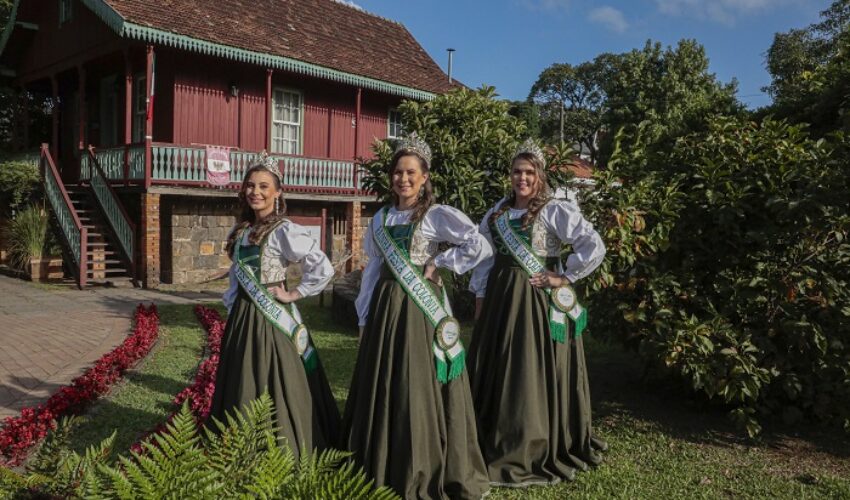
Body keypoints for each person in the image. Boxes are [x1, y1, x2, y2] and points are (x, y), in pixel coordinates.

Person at [342, 133, 492, 499]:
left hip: (421, 311)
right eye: (397, 172)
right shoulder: (379, 220)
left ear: (425, 177)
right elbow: (373, 272)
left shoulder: (435, 215)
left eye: (411, 173)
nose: (403, 179)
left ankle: (422, 461)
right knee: (386, 381)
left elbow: (479, 245)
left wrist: (439, 262)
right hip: (386, 309)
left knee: (418, 381)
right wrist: (363, 319)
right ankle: (381, 459)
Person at [467, 139, 608, 487]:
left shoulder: (553, 210)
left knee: (526, 368)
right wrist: (481, 298)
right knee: (497, 366)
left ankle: (529, 440)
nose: (522, 178)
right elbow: (485, 258)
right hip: (501, 300)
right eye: (517, 171)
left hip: (533, 304)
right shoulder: (497, 212)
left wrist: (564, 275)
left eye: (529, 172)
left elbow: (593, 244)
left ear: (540, 175)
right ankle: (491, 436)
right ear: (509, 175)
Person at [211, 154, 340, 457]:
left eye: (264, 186)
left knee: (278, 380)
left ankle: (282, 450)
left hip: (273, 320)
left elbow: (321, 267)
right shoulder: (240, 232)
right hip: (244, 318)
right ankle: (240, 448)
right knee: (243, 380)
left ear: (278, 192)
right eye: (251, 185)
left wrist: (295, 293)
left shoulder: (284, 230)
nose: (256, 192)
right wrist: (235, 313)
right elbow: (235, 282)